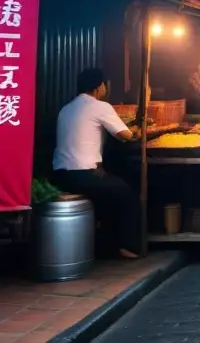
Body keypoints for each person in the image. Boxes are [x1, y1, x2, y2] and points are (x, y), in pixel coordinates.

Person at [51, 68, 140, 259]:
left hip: (60, 175)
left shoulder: (65, 109)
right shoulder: (100, 106)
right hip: (84, 175)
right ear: (99, 87)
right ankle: (127, 246)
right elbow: (126, 136)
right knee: (126, 194)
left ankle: (104, 243)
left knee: (107, 192)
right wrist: (137, 131)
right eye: (105, 85)